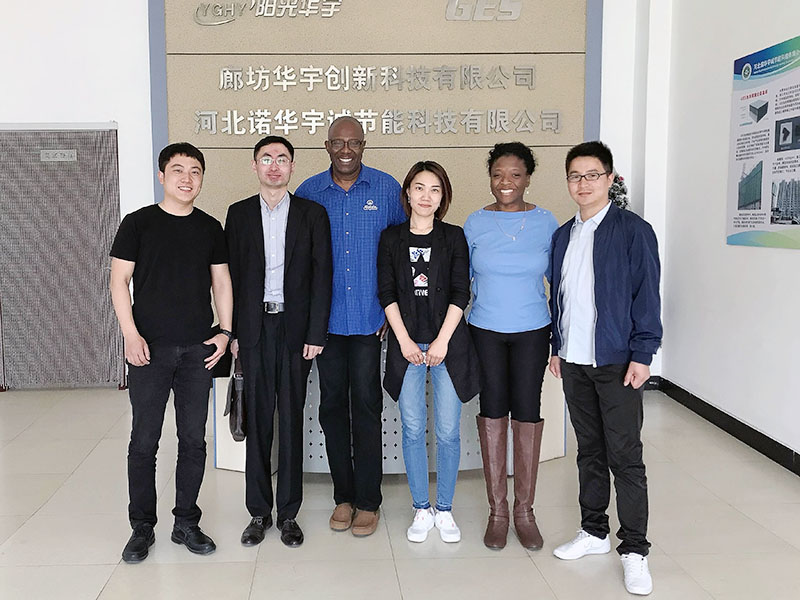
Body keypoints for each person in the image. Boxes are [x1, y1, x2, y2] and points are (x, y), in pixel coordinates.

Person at [110, 142, 233, 563]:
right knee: (144, 441)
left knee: (193, 439)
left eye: (195, 171)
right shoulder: (138, 223)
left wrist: (225, 333)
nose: (187, 178)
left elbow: (222, 283)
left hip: (198, 350)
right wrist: (130, 335)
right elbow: (118, 282)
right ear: (162, 176)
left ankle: (186, 522)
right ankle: (142, 527)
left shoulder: (210, 228)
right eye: (178, 170)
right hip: (149, 349)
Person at [549, 141, 661, 596]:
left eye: (592, 175)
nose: (583, 184)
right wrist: (556, 347)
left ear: (610, 179)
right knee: (589, 451)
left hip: (616, 361)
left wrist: (643, 353)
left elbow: (647, 295)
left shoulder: (633, 231)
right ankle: (593, 531)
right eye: (575, 176)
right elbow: (560, 298)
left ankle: (634, 550)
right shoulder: (564, 235)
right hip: (574, 361)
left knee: (625, 457)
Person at [295, 116, 405, 537]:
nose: (346, 150)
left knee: (367, 407)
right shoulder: (309, 192)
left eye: (353, 142)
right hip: (325, 324)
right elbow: (299, 261)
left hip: (369, 321)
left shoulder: (386, 189)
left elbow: (401, 251)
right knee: (331, 408)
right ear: (327, 146)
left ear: (363, 145)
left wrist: (393, 311)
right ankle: (343, 495)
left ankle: (369, 500)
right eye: (338, 143)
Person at [225, 136, 332, 548]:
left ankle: (289, 514)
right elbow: (229, 278)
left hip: (295, 330)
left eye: (282, 159)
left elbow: (322, 276)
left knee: (290, 420)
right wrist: (233, 332)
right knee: (258, 423)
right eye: (266, 159)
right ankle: (258, 512)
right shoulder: (238, 214)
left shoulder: (311, 214)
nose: (274, 166)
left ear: (292, 167)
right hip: (253, 330)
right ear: (255, 166)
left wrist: (316, 333)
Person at [463, 142, 558, 551]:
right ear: (490, 177)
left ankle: (524, 512)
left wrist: (561, 340)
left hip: (532, 331)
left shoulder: (546, 222)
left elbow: (560, 283)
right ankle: (498, 512)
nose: (506, 182)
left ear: (528, 178)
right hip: (485, 330)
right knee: (492, 410)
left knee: (527, 411)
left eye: (515, 175)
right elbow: (459, 281)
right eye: (498, 174)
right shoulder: (474, 223)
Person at [378, 161, 479, 543]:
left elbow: (460, 292)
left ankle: (445, 509)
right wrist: (404, 341)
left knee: (448, 431)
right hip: (406, 345)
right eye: (419, 188)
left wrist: (441, 342)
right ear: (407, 193)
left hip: (447, 346)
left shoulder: (453, 237)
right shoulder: (391, 238)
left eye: (435, 189)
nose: (426, 196)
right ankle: (422, 508)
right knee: (412, 428)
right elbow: (387, 292)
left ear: (443, 197)